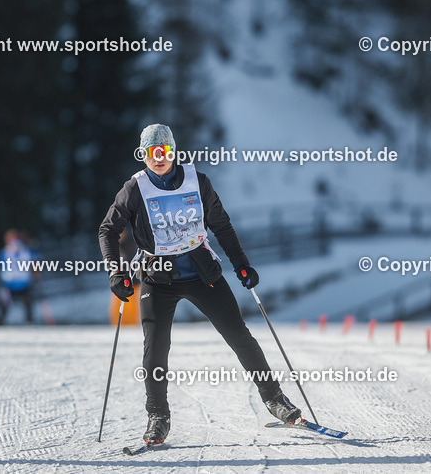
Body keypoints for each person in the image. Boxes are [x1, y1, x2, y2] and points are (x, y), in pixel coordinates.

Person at [98, 123, 302, 445]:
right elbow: (107, 230)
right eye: (151, 153)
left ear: (174, 151)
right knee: (156, 347)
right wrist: (116, 272)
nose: (159, 159)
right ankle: (158, 416)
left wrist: (241, 264)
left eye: (164, 151)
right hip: (156, 276)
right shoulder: (134, 188)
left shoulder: (198, 181)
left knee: (239, 335)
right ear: (143, 156)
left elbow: (221, 224)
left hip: (201, 273)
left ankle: (274, 398)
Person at [0, 229, 38, 324]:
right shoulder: (4, 253)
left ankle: (30, 321)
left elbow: (34, 261)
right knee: (4, 303)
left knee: (28, 301)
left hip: (23, 283)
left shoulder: (25, 251)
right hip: (9, 284)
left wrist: (35, 273)